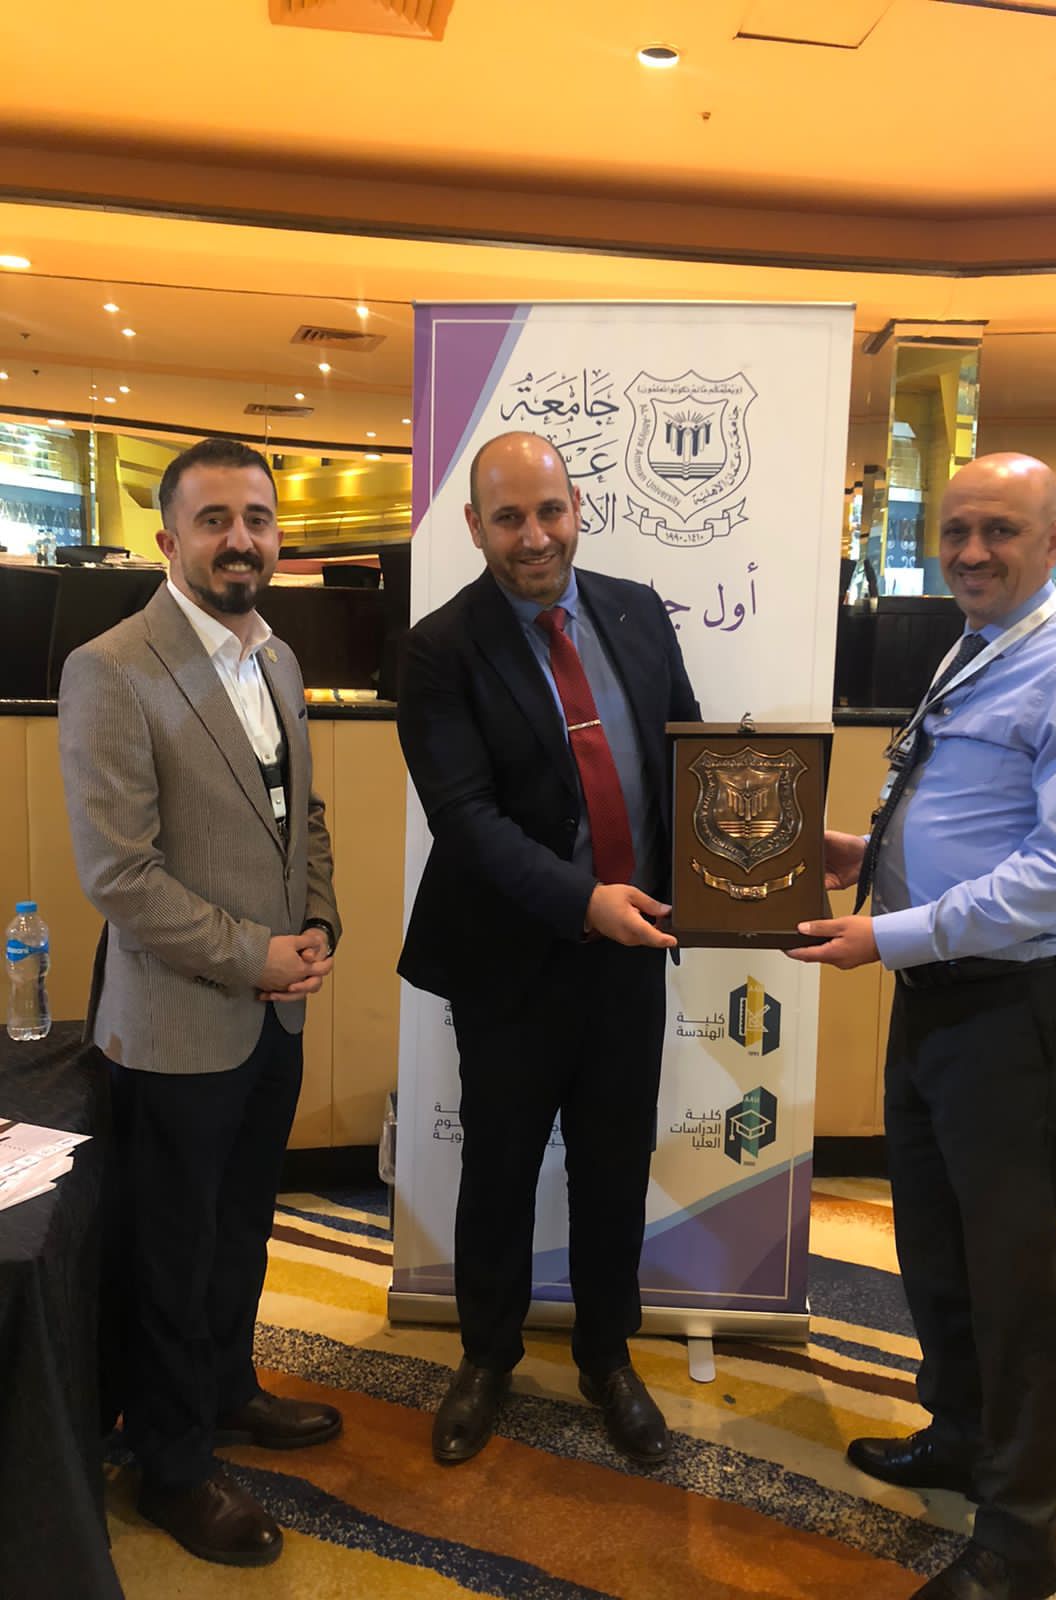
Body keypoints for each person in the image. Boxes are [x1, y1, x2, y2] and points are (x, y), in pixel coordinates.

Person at [789, 453, 1056, 1600]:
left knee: (1009, 1280)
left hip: (1011, 1012)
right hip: (935, 1000)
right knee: (935, 1249)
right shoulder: (975, 644)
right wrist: (866, 854)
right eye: (956, 530)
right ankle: (958, 1434)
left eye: (1000, 530)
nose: (973, 552)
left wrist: (886, 935)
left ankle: (1020, 1536)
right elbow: (970, 815)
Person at [58, 438, 342, 1568]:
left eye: (257, 519)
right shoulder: (112, 667)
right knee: (171, 1256)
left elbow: (302, 817)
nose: (240, 539)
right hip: (178, 1021)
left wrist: (319, 927)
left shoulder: (277, 657)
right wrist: (254, 957)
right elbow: (120, 876)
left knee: (240, 1229)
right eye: (215, 519)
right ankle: (172, 1467)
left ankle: (227, 1390)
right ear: (168, 537)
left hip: (274, 1014)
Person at [397, 431, 700, 1468]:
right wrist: (583, 902)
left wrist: (765, 853)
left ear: (578, 509)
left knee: (615, 1167)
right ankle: (487, 1355)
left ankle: (607, 1357)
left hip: (631, 952)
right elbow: (466, 818)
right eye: (510, 518)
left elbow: (689, 755)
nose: (534, 536)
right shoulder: (440, 648)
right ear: (476, 526)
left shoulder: (637, 612)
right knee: (500, 1165)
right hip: (510, 960)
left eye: (550, 511)